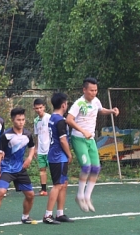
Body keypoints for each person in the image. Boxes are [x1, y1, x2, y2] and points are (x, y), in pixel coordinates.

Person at [66, 77, 119, 212]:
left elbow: (101, 110)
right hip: (79, 139)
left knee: (96, 168)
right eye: (91, 90)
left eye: (96, 90)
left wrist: (111, 111)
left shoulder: (96, 101)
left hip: (91, 140)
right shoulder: (79, 103)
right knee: (87, 167)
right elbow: (69, 119)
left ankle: (87, 197)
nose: (94, 93)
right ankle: (79, 195)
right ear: (84, 90)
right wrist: (83, 131)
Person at [0, 107, 36, 228]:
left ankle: (25, 217)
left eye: (23, 120)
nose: (21, 122)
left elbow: (32, 147)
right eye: (18, 119)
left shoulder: (28, 134)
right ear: (13, 120)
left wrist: (29, 158)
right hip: (7, 168)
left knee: (30, 195)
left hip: (20, 169)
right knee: (1, 191)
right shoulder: (6, 135)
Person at [43, 93, 74, 224]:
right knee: (58, 185)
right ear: (63, 105)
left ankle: (60, 213)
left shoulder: (52, 118)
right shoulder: (60, 120)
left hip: (55, 155)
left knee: (63, 184)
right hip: (58, 156)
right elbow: (62, 140)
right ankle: (48, 215)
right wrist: (69, 154)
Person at [32, 98, 51, 196]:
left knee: (53, 169)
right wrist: (35, 148)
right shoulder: (35, 120)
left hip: (50, 150)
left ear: (44, 107)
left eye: (40, 107)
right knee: (42, 170)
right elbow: (37, 135)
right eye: (36, 108)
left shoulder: (49, 118)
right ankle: (43, 190)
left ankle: (58, 187)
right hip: (40, 150)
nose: (39, 110)